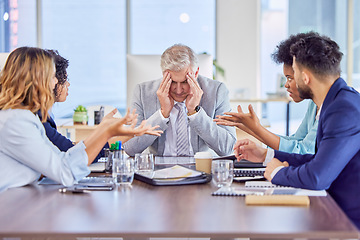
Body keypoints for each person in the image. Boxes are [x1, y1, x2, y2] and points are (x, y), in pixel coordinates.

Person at [234, 34, 360, 229]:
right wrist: (266, 155)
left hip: (347, 220)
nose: (288, 81)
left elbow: (317, 177)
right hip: (331, 209)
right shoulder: (334, 102)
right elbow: (318, 160)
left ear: (305, 77)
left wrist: (277, 172)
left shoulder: (344, 109)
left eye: (293, 72)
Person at [0, 47, 162, 192]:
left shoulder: (23, 116)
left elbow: (64, 157)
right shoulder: (17, 121)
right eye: (52, 76)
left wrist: (104, 131)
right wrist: (105, 133)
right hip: (12, 205)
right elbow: (65, 172)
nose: (57, 81)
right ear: (37, 80)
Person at [123, 44, 236, 157]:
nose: (178, 90)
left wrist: (195, 113)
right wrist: (162, 114)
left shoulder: (216, 92)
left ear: (196, 73)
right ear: (164, 75)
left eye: (185, 82)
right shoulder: (143, 92)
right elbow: (130, 148)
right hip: (158, 170)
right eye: (172, 81)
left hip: (201, 169)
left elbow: (227, 148)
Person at [215, 32, 319, 154]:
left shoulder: (331, 106)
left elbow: (303, 151)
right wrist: (252, 129)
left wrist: (257, 129)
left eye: (290, 78)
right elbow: (296, 140)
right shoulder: (314, 105)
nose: (286, 84)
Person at [40, 49, 109, 162]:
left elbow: (66, 148)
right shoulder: (36, 118)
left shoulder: (43, 115)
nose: (68, 84)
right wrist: (106, 137)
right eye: (64, 79)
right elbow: (69, 154)